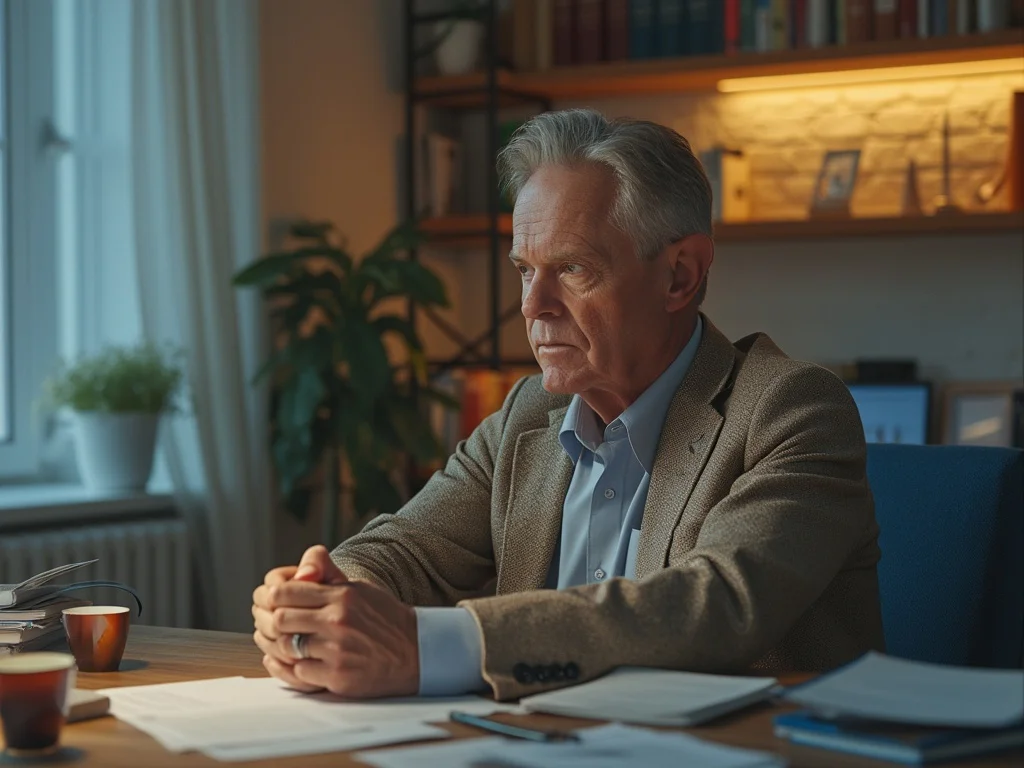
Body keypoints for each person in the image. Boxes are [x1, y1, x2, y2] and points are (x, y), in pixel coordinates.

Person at [251, 109, 885, 702]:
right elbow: (407, 550)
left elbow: (716, 607)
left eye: (573, 269)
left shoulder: (791, 410)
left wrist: (436, 645)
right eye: (525, 270)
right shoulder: (527, 414)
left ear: (680, 275)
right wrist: (326, 600)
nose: (533, 306)